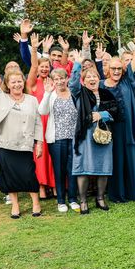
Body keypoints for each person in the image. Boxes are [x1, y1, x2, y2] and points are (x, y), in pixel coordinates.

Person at [0, 56, 43, 219]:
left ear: (24, 82)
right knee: (7, 176)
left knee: (29, 174)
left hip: (24, 144)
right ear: (7, 84)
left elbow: (38, 123)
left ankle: (36, 203)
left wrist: (39, 143)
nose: (17, 84)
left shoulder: (32, 100)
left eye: (19, 81)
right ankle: (15, 205)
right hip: (3, 144)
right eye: (13, 82)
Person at [68, 51, 119, 214]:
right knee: (83, 167)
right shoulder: (79, 92)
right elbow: (73, 83)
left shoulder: (106, 93)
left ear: (99, 78)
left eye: (94, 76)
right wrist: (77, 64)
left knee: (103, 167)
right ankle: (83, 201)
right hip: (84, 136)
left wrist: (101, 114)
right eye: (88, 77)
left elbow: (117, 112)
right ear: (84, 80)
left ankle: (100, 198)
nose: (92, 79)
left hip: (103, 135)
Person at [101, 40, 135, 203]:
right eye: (113, 68)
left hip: (128, 126)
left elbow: (133, 62)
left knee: (131, 158)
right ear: (107, 70)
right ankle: (117, 194)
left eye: (119, 68)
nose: (117, 71)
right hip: (110, 129)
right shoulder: (101, 85)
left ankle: (134, 192)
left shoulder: (127, 81)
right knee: (115, 159)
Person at [38, 68, 79, 213]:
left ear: (67, 79)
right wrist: (47, 93)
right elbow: (42, 111)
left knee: (73, 169)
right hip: (57, 139)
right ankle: (61, 201)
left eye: (62, 78)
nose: (60, 81)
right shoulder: (51, 95)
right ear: (53, 81)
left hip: (74, 137)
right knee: (59, 170)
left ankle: (73, 199)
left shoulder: (74, 93)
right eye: (56, 79)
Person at [27, 34, 56, 199]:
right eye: (41, 67)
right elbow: (32, 66)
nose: (44, 69)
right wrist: (35, 50)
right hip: (38, 124)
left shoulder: (52, 82)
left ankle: (54, 185)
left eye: (47, 67)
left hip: (51, 123)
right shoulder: (32, 83)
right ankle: (42, 187)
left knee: (52, 156)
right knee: (40, 157)